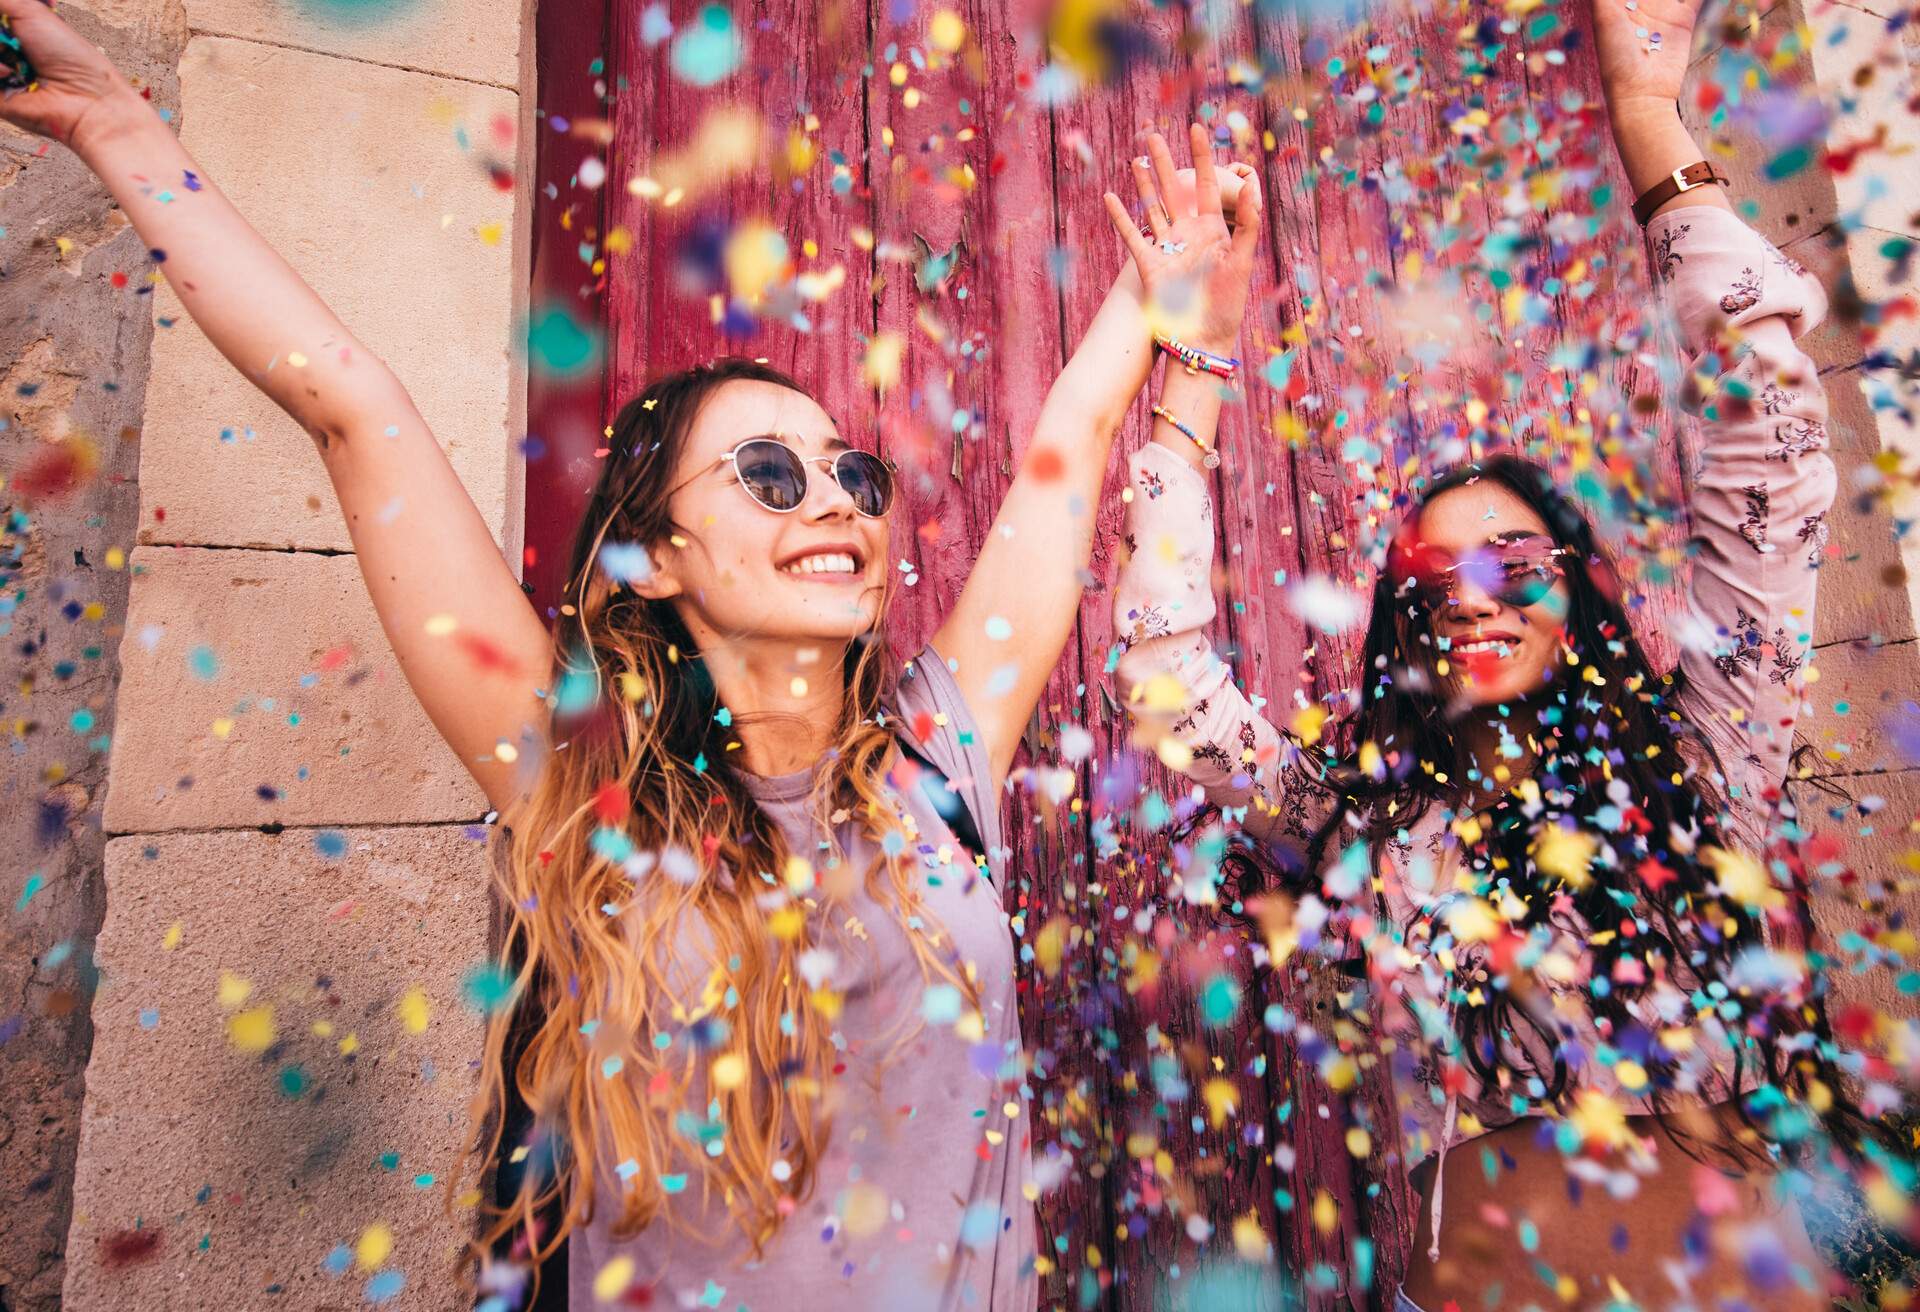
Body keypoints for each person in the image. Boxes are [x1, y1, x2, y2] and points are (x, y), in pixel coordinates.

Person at [0, 2, 1264, 1305]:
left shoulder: (940, 761)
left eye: (851, 471)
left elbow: (1078, 435)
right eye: (769, 474)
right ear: (654, 556)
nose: (834, 497)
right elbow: (353, 411)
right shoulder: (581, 795)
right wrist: (119, 129)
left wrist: (1180, 324)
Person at [1109, 0, 1873, 1307]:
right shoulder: (1363, 824)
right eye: (1430, 573)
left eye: (1516, 565)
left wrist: (1650, 125)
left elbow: (1778, 447)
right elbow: (1165, 675)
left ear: (1571, 592)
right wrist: (1192, 366)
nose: (1475, 599)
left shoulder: (1704, 764)